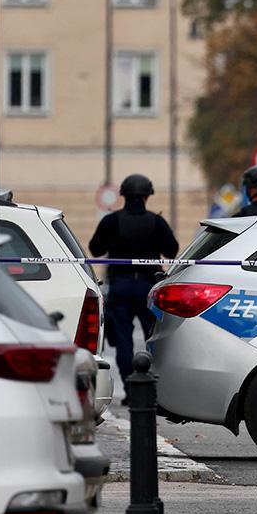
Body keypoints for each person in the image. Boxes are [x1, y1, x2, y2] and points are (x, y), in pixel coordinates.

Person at [89, 173, 179, 403]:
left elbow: (95, 249)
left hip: (120, 287)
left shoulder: (111, 221)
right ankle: (153, 391)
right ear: (148, 196)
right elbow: (172, 250)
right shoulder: (156, 222)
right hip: (148, 289)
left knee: (123, 342)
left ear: (123, 196)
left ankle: (132, 392)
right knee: (154, 339)